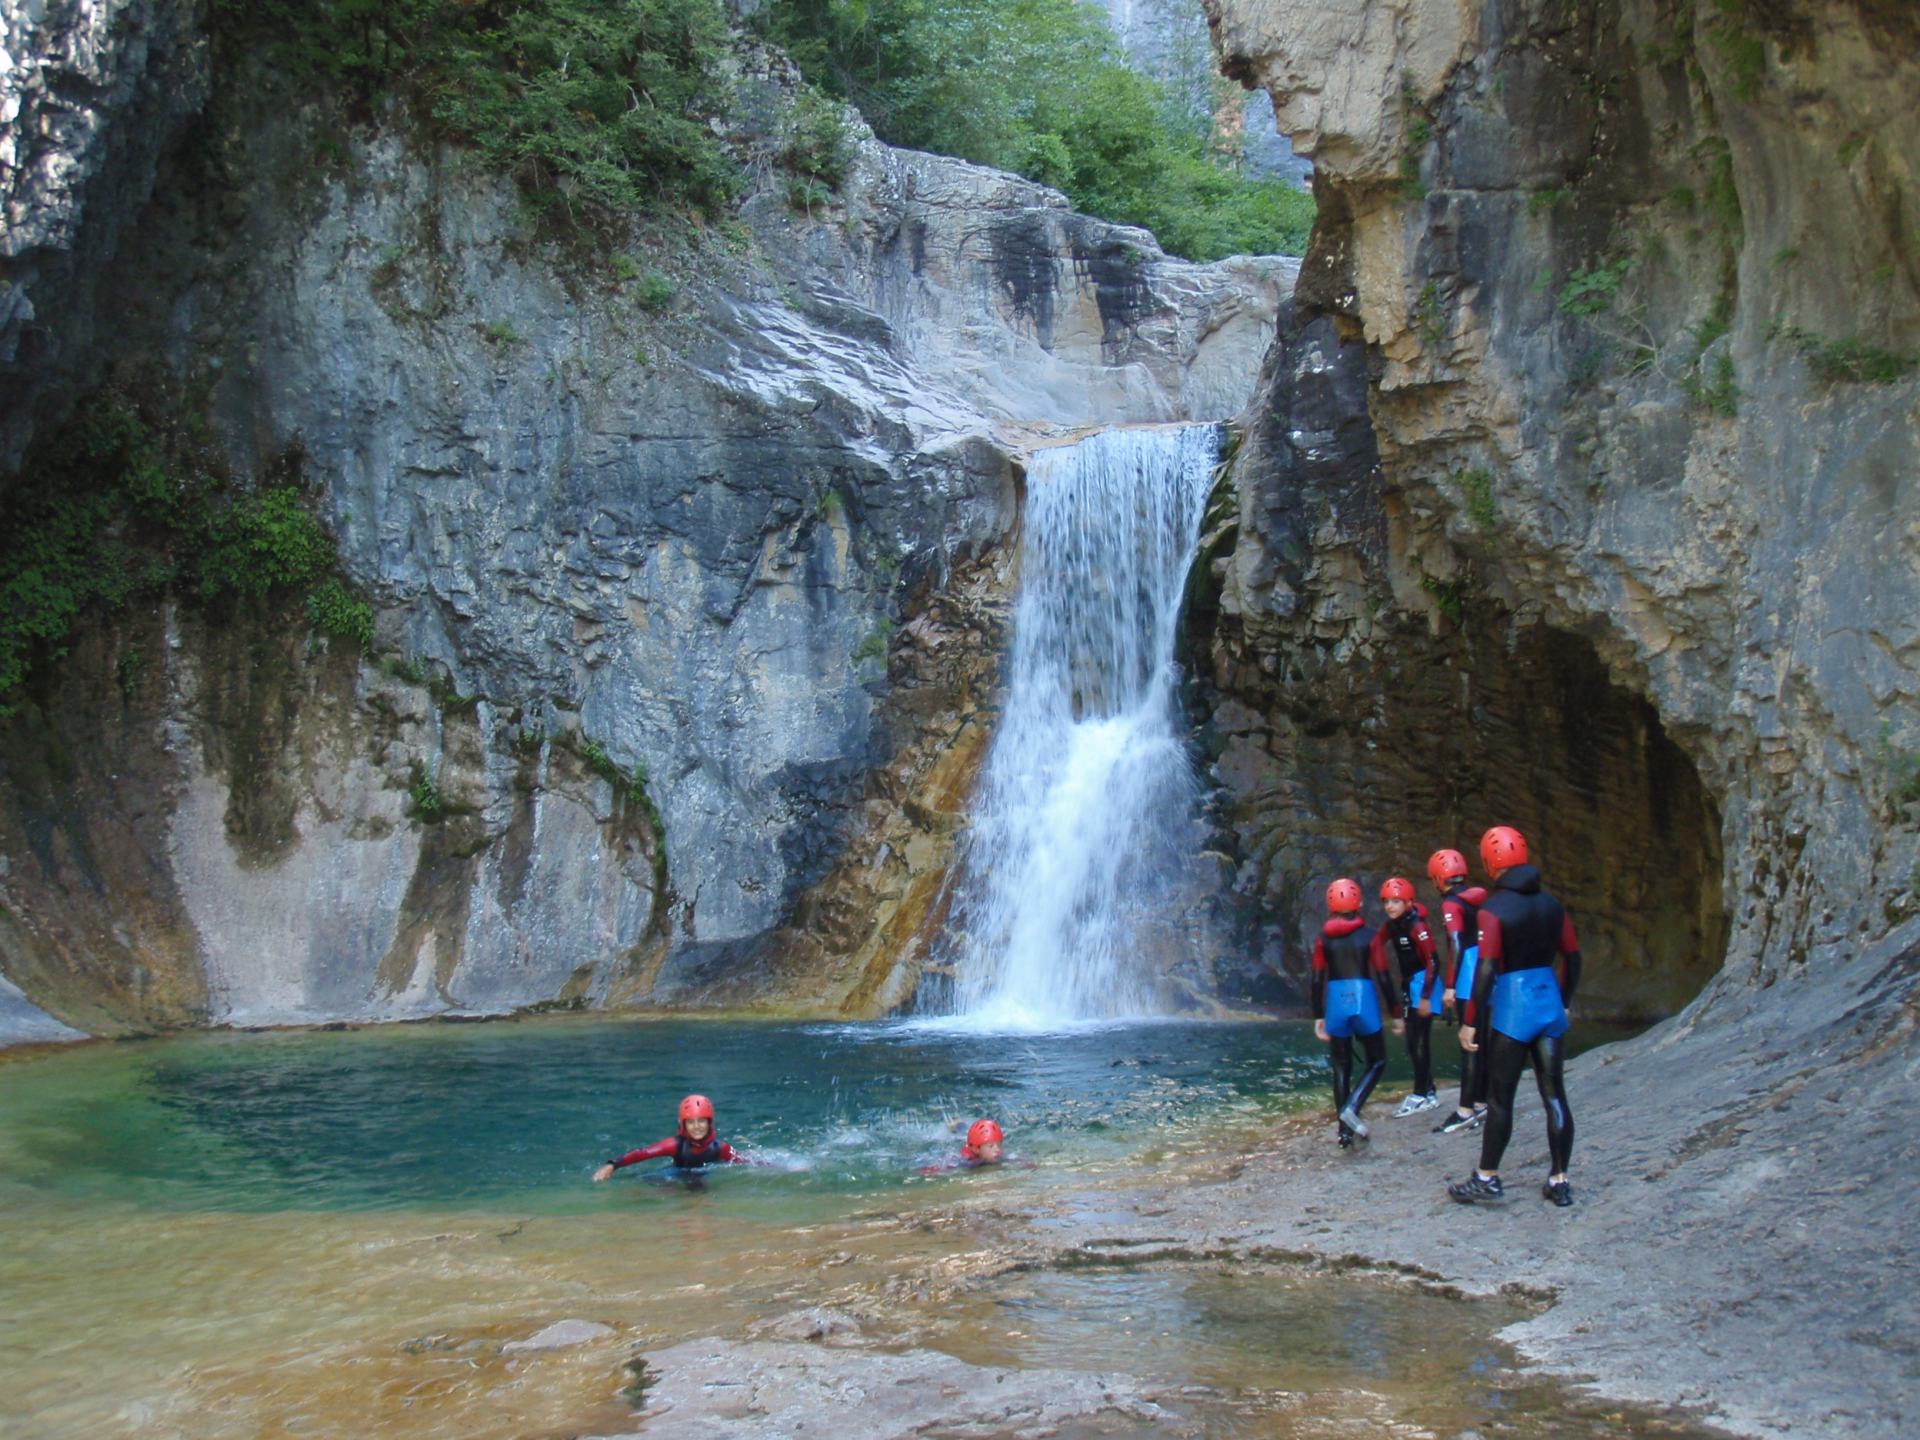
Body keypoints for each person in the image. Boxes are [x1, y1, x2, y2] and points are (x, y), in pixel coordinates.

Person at [1448, 826, 1583, 1208]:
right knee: (1555, 1094)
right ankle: (1559, 1180)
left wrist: (1470, 1019)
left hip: (1513, 1008)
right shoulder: (1554, 905)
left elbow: (1486, 970)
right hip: (1548, 1002)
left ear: (1490, 864)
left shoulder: (1493, 911)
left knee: (1500, 1098)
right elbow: (1573, 958)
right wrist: (1565, 998)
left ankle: (1487, 1178)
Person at [1311, 878, 1403, 1147]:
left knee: (1341, 1067)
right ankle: (1353, 1106)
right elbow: (1384, 977)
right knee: (1378, 1060)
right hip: (1364, 999)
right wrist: (1396, 1013)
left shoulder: (1322, 940)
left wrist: (1318, 1016)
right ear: (1359, 903)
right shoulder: (1370, 937)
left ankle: (1344, 1133)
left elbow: (1317, 979)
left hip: (1336, 1002)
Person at [1428, 848, 1492, 1136]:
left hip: (1468, 974)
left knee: (1468, 1043)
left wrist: (1450, 985)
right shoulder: (1480, 898)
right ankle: (1482, 1101)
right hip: (1490, 971)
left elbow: (1456, 942)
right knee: (1484, 1040)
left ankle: (1465, 1110)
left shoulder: (1451, 904)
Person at [1376, 877, 1441, 1116]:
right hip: (1410, 985)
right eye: (1386, 902)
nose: (1390, 906)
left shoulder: (1417, 926)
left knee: (1418, 1040)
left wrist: (1425, 997)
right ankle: (1428, 1090)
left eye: (1396, 901)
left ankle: (1421, 1095)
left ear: (1409, 902)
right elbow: (1375, 943)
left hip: (1425, 983)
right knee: (1412, 1042)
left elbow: (1434, 960)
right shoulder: (1392, 925)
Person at [593, 1094, 749, 1178]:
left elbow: (745, 1161)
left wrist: (771, 1168)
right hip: (676, 1174)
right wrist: (612, 1165)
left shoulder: (720, 1148)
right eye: (691, 1122)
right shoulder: (675, 1145)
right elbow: (643, 1153)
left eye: (701, 1121)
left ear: (709, 1123)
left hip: (705, 1177)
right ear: (683, 1125)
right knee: (638, 1180)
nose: (696, 1127)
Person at [921, 1119, 1026, 1172]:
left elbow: (1015, 1158)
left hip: (974, 1140)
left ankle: (961, 1125)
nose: (997, 1150)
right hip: (962, 1142)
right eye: (990, 1146)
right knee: (962, 1135)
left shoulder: (998, 1155)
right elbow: (943, 1164)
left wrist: (1027, 1165)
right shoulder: (964, 1159)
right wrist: (930, 1170)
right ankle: (957, 1124)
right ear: (976, 1149)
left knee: (967, 1132)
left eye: (999, 1145)